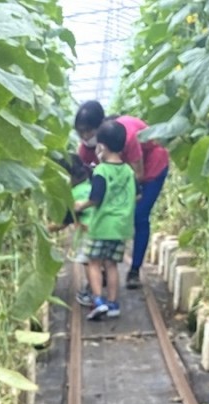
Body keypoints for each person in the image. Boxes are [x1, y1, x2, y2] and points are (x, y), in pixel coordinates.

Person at [74, 99, 170, 289]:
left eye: (88, 131)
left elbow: (138, 174)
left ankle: (134, 270)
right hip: (123, 176)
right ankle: (102, 269)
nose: (85, 136)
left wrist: (110, 197)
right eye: (80, 132)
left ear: (100, 126)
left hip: (152, 168)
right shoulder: (86, 149)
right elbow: (84, 177)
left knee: (139, 216)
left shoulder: (127, 136)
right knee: (104, 215)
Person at [73, 120, 134, 321]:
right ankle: (113, 304)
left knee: (93, 262)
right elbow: (137, 194)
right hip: (121, 227)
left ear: (102, 146)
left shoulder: (101, 171)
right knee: (112, 265)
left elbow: (95, 198)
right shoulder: (128, 171)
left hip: (102, 226)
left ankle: (98, 301)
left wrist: (80, 205)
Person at [56, 152, 97, 308]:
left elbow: (64, 223)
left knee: (89, 264)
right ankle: (101, 294)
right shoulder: (90, 186)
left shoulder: (73, 194)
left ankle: (93, 295)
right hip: (103, 229)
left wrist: (45, 229)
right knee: (99, 263)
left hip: (87, 233)